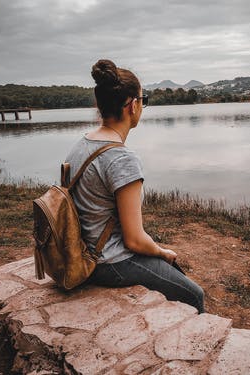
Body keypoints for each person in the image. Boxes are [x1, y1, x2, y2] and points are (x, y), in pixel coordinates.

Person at [65, 59, 205, 313]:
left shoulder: (82, 144)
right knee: (195, 295)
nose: (142, 105)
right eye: (144, 100)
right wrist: (162, 252)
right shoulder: (121, 159)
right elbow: (134, 240)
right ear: (132, 105)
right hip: (108, 262)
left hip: (80, 252)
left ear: (100, 105)